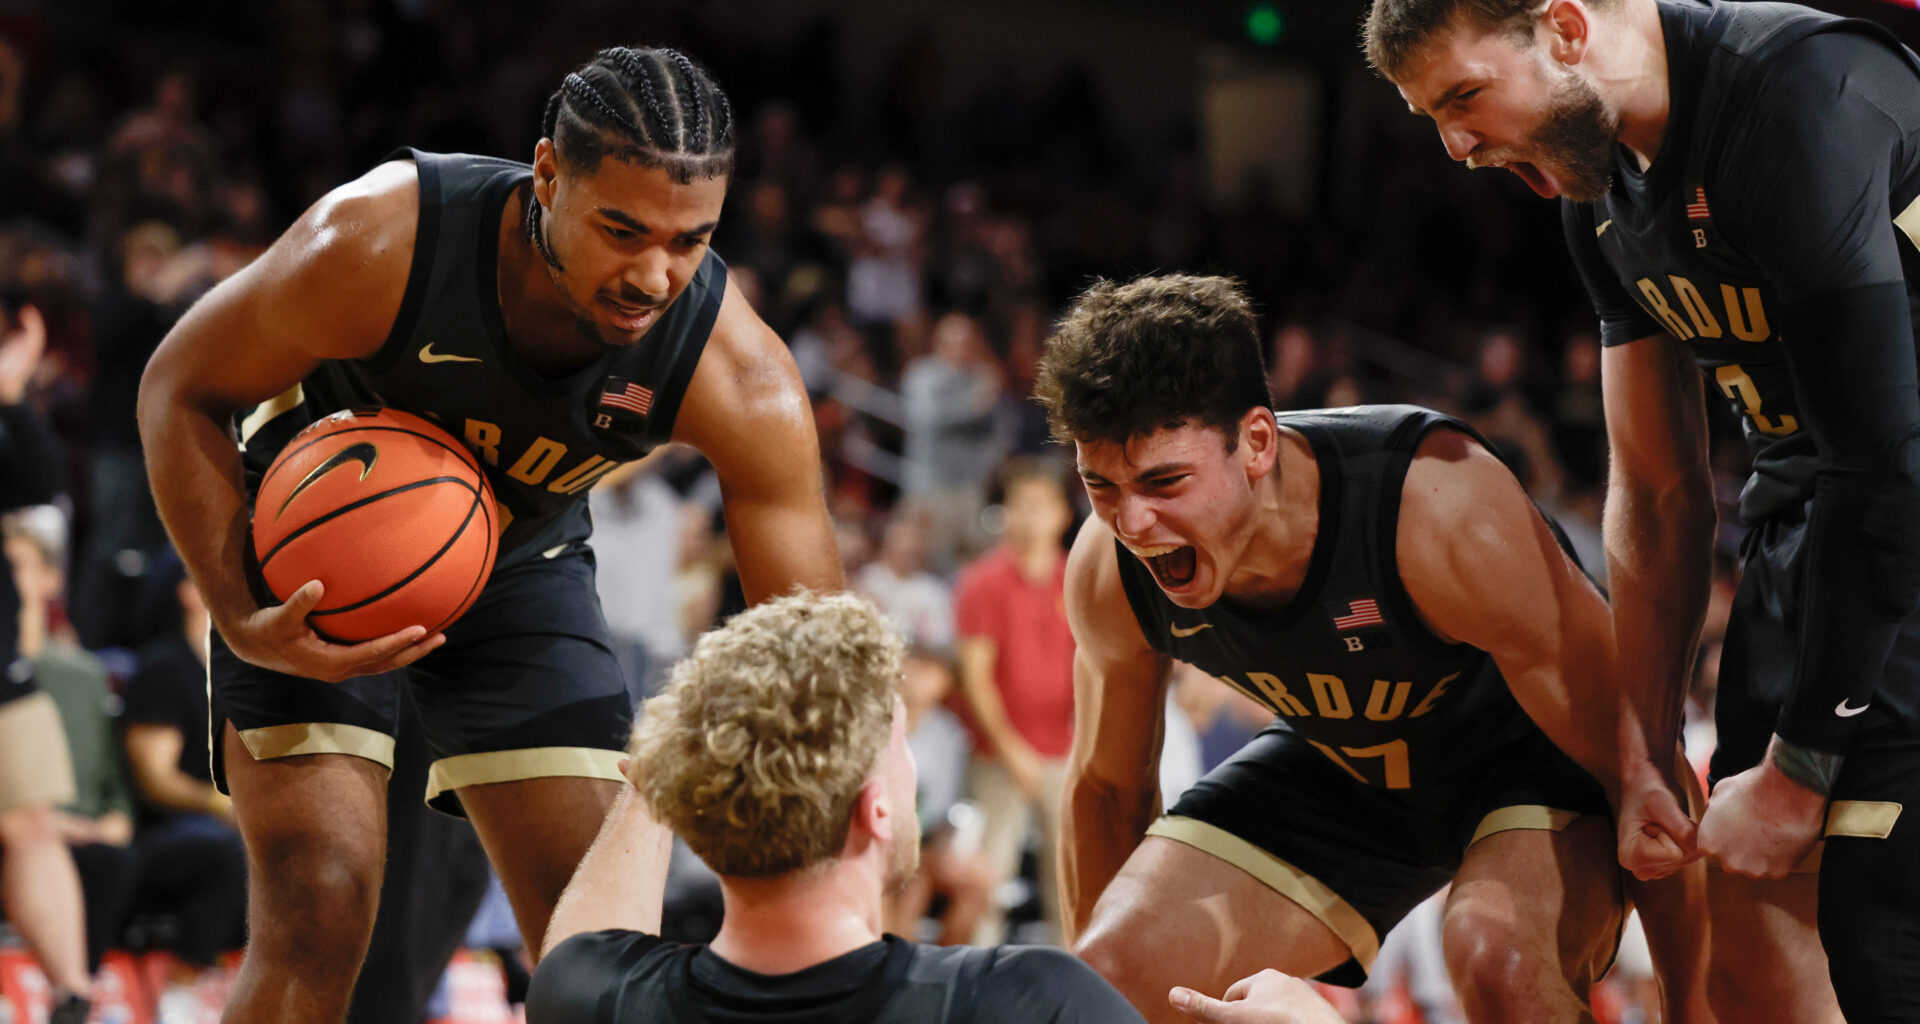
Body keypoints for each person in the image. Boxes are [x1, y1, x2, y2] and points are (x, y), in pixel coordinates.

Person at [136, 45, 841, 1024]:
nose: (654, 273)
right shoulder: (380, 238)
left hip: (520, 566)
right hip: (317, 552)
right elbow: (180, 387)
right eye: (623, 229)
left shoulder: (739, 374)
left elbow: (818, 653)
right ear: (548, 175)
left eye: (690, 240)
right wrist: (241, 609)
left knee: (598, 956)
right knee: (321, 906)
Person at [1365, 1, 1920, 1019]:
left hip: (1899, 518)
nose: (1456, 147)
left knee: (1882, 951)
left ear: (1565, 28)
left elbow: (1888, 460)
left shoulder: (1799, 96)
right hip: (1805, 535)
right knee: (1745, 966)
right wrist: (1643, 751)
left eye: (1465, 98)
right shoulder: (1598, 191)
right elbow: (1658, 491)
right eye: (1430, 119)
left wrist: (1802, 771)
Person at [1036, 274, 1706, 1024]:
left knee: (1499, 959)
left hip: (1529, 756)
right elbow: (1105, 792)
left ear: (1256, 441)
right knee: (1113, 971)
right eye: (1102, 487)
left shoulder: (1436, 507)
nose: (1134, 521)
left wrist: (1696, 1007)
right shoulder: (1110, 568)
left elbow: (1639, 758)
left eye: (1164, 482)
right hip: (1350, 764)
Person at [526, 589, 1147, 1022]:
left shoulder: (589, 997)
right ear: (874, 810)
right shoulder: (1032, 1001)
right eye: (900, 743)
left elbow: (585, 941)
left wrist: (655, 778)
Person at [0, 303, 93, 1024]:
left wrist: (12, 397)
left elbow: (39, 491)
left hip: (5, 670)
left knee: (32, 823)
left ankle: (72, 995)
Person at [951, 457, 1077, 943]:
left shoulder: (1076, 577)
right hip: (996, 755)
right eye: (1019, 504)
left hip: (1063, 749)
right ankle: (977, 991)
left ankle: (1077, 993)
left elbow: (1092, 666)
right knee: (986, 882)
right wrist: (1011, 749)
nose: (1029, 515)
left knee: (1070, 883)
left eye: (1040, 504)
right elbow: (975, 678)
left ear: (1062, 515)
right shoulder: (981, 583)